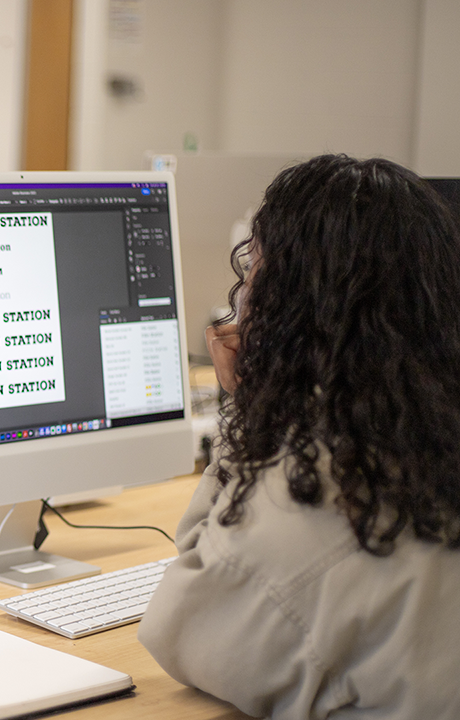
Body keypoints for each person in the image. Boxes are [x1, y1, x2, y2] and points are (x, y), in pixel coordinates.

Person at [138, 154, 460, 718]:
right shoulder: (428, 436)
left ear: (285, 308)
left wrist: (250, 407)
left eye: (252, 276)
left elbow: (181, 624)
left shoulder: (314, 495)